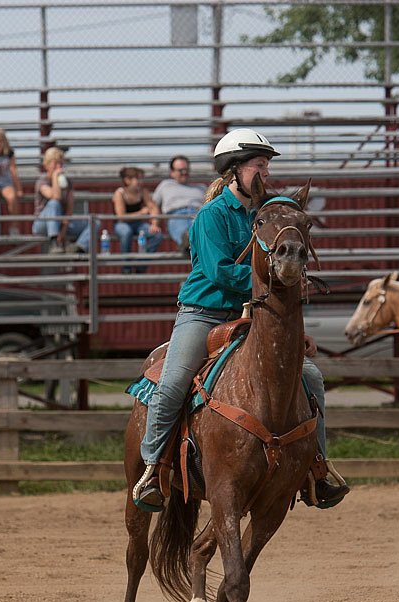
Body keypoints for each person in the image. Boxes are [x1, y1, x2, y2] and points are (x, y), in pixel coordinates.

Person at [134, 128, 349, 512]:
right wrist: (268, 280)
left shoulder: (267, 215)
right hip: (204, 312)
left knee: (311, 376)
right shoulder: (211, 217)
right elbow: (217, 272)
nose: (265, 174)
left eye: (266, 167)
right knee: (174, 381)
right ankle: (154, 469)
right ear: (234, 171)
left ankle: (317, 468)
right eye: (258, 166)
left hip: (254, 315)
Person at [32, 147, 91, 254]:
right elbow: (55, 197)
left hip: (62, 223)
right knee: (54, 204)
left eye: (60, 163)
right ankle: (54, 242)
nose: (58, 167)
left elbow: (69, 208)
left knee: (94, 222)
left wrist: (63, 230)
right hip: (43, 224)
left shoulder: (68, 183)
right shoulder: (42, 181)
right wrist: (55, 177)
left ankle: (79, 247)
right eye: (55, 163)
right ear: (46, 165)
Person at [112, 166, 163, 273]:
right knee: (126, 232)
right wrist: (141, 213)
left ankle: (141, 264)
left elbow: (153, 208)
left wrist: (154, 224)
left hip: (137, 223)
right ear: (127, 180)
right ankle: (126, 267)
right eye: (137, 179)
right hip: (121, 224)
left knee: (157, 235)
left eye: (141, 178)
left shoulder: (143, 192)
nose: (140, 181)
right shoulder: (119, 193)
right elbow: (121, 216)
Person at [152, 155, 206, 254]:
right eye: (180, 170)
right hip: (176, 215)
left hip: (197, 214)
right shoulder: (165, 185)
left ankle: (189, 245)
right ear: (172, 173)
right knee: (187, 233)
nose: (184, 173)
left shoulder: (201, 188)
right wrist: (154, 224)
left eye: (186, 169)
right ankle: (189, 243)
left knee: (201, 226)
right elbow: (153, 205)